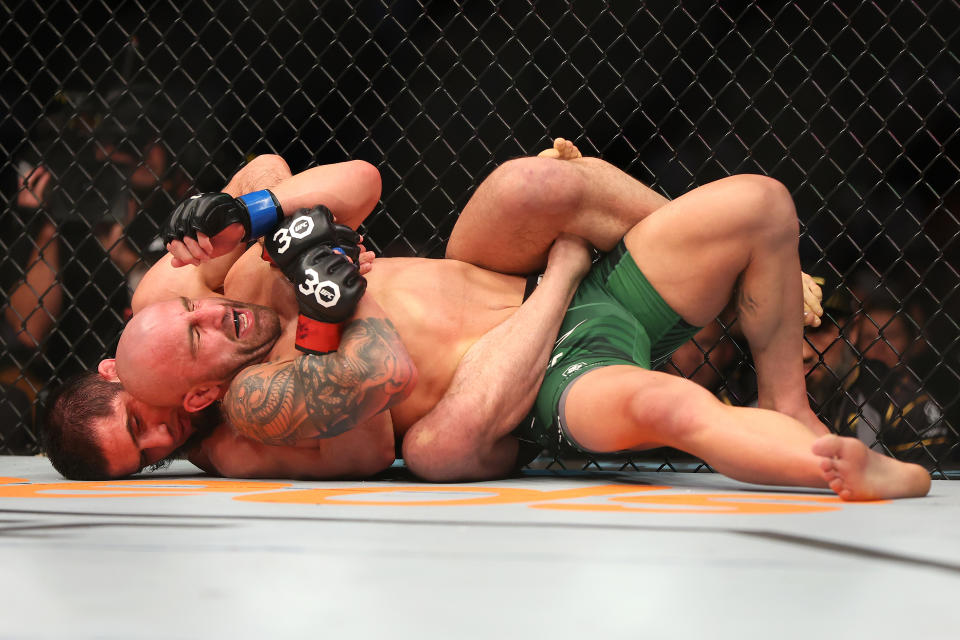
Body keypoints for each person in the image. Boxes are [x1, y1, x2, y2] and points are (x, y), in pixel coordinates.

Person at [44, 142, 931, 500]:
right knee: (674, 415)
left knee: (761, 202)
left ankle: (792, 404)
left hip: (535, 287)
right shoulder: (240, 412)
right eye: (152, 449)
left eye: (138, 426)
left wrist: (257, 213)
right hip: (543, 373)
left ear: (120, 373)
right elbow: (372, 396)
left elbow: (334, 179)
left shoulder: (181, 304)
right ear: (196, 387)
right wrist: (324, 301)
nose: (164, 440)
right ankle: (860, 472)